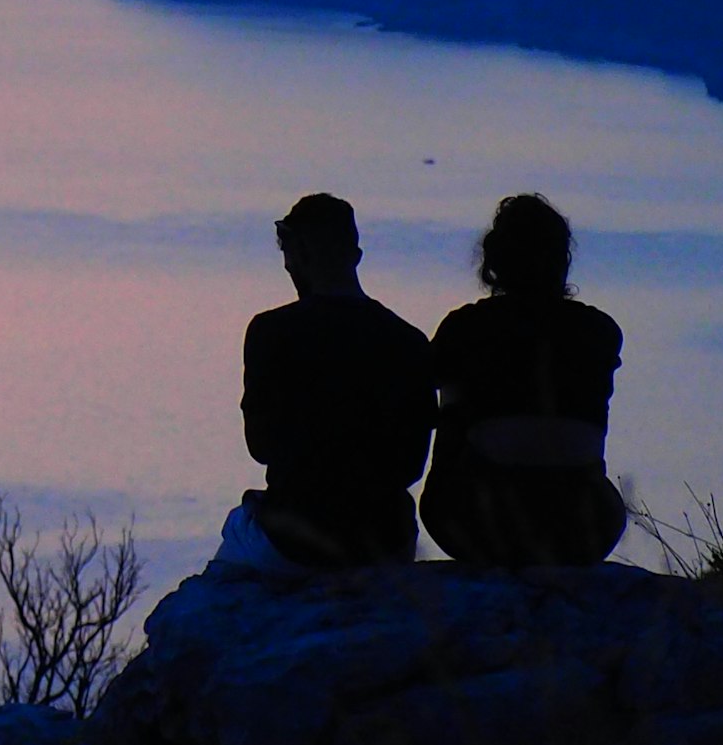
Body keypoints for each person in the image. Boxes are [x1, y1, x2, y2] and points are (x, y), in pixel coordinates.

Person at [224, 192, 437, 570]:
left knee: (235, 539)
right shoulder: (408, 341)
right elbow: (410, 465)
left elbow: (261, 445)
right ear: (354, 256)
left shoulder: (271, 332)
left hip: (296, 537)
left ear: (300, 254)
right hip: (386, 538)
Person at [421, 193, 630, 567]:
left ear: (494, 261)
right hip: (585, 528)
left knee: (451, 397)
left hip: (478, 524)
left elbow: (423, 388)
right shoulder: (600, 331)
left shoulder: (465, 328)